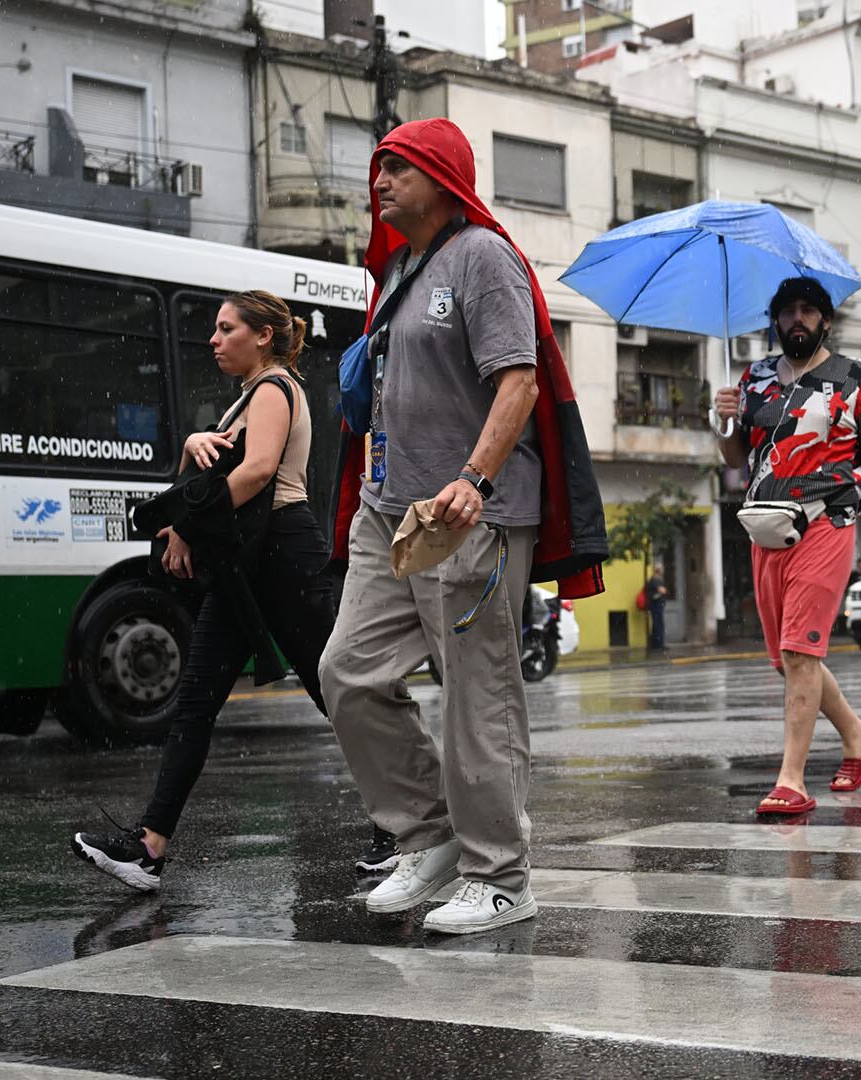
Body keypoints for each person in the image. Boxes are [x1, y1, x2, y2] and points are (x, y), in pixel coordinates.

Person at [320, 118, 606, 937]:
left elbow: (518, 381)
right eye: (377, 167)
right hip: (392, 513)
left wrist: (474, 478)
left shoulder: (481, 257)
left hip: (469, 510)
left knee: (475, 698)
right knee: (348, 673)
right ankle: (429, 835)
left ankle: (502, 874)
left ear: (444, 180)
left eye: (398, 168)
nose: (379, 181)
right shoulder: (399, 270)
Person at [72, 291, 334, 891]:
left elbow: (259, 469)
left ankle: (405, 826)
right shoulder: (244, 400)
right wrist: (196, 441)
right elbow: (224, 465)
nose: (213, 340)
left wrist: (188, 522)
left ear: (262, 335)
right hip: (246, 560)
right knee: (195, 702)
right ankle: (148, 848)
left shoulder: (274, 388)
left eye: (225, 328)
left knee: (338, 693)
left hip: (283, 552)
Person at [714, 277, 861, 817]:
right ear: (774, 322)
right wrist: (724, 419)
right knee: (787, 659)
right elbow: (734, 460)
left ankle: (791, 779)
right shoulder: (753, 380)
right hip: (765, 528)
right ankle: (857, 734)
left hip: (828, 521)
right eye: (787, 312)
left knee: (801, 653)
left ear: (825, 320)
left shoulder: (852, 378)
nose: (797, 319)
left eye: (808, 311)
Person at [644, 561, 670, 650]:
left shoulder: (656, 579)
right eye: (662, 569)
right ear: (658, 570)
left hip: (657, 605)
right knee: (658, 624)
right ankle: (658, 645)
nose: (663, 570)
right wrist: (664, 591)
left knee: (657, 624)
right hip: (656, 605)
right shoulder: (655, 580)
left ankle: (657, 644)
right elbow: (663, 590)